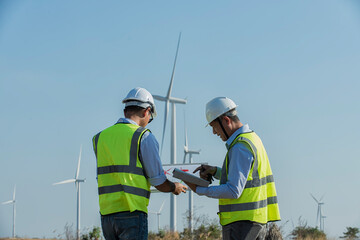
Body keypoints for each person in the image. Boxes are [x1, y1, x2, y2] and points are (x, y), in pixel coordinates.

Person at [92, 87, 187, 240]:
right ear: (146, 111)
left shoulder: (100, 138)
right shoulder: (143, 136)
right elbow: (158, 180)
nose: (149, 121)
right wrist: (173, 187)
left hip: (107, 215)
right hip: (132, 213)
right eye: (151, 116)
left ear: (125, 112)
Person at [184, 97, 280, 240]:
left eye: (213, 127)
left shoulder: (240, 146)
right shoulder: (252, 139)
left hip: (242, 224)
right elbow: (246, 179)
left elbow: (233, 190)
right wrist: (216, 172)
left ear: (226, 121)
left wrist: (200, 190)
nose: (214, 132)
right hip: (255, 221)